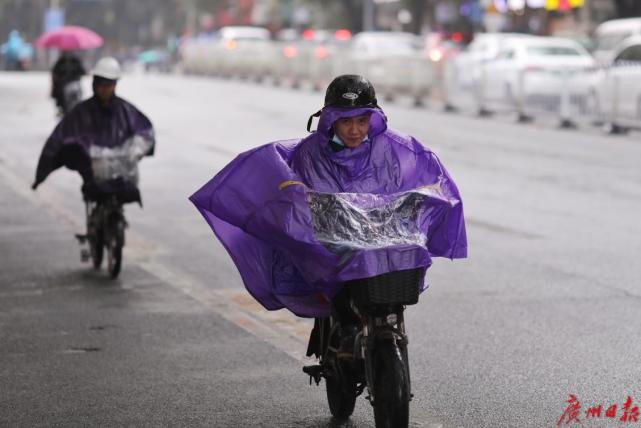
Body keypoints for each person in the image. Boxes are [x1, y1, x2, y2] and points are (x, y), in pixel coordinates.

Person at [190, 74, 466, 351]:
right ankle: (342, 324)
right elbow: (304, 201)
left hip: (385, 237)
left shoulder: (397, 149)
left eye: (362, 121)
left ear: (373, 119)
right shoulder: (310, 154)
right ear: (330, 120)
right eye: (346, 121)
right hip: (335, 240)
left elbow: (429, 181)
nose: (355, 130)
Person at [32, 56, 155, 204]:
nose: (105, 89)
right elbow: (56, 142)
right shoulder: (80, 112)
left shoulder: (125, 110)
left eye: (109, 84)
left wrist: (136, 149)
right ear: (95, 83)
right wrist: (40, 177)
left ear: (115, 85)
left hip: (120, 173)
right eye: (101, 84)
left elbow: (145, 131)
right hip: (92, 173)